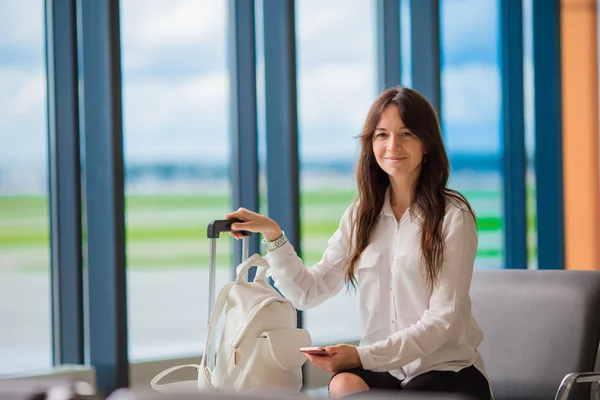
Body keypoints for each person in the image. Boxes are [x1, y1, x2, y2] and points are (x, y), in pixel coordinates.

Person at [224, 86, 493, 400]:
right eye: (382, 135)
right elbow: (307, 291)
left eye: (406, 133)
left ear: (427, 144)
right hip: (387, 371)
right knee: (343, 385)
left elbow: (441, 320)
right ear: (371, 143)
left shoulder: (453, 216)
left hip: (447, 369)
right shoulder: (360, 215)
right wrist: (273, 234)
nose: (392, 145)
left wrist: (363, 356)